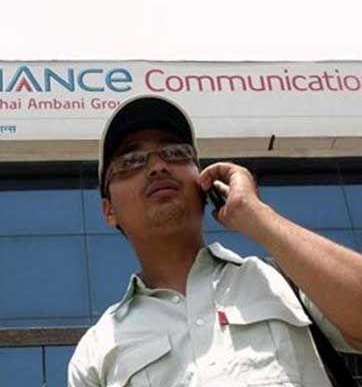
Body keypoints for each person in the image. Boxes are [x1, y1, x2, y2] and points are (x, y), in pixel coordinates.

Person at [68, 95, 362, 386]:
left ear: (204, 181)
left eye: (174, 152)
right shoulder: (97, 349)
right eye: (132, 160)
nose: (158, 166)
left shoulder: (282, 282)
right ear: (109, 211)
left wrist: (257, 215)